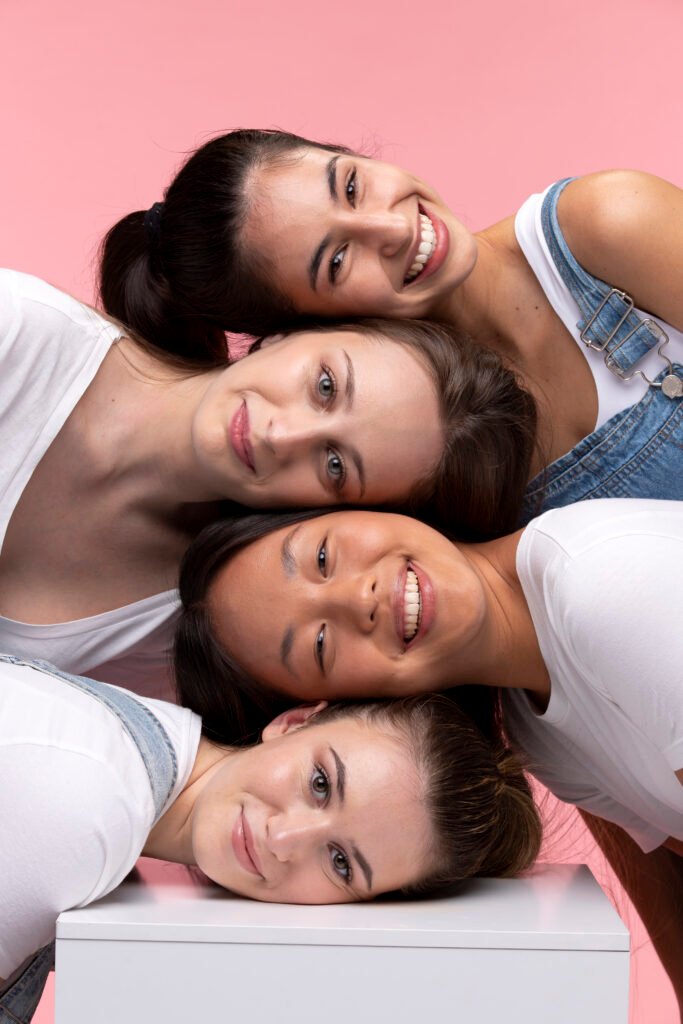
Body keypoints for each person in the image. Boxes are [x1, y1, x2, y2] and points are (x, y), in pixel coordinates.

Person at [0, 271, 537, 702]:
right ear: (294, 332)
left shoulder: (203, 625)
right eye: (325, 386)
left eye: (334, 466)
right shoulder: (21, 332)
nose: (283, 434)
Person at [100, 130, 683, 518]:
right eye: (336, 261)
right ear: (305, 331)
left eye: (351, 185)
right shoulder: (384, 476)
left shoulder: (604, 226)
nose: (393, 229)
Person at [0, 654, 540, 1023]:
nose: (284, 838)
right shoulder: (92, 808)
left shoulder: (126, 759)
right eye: (321, 783)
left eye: (341, 863)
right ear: (294, 722)